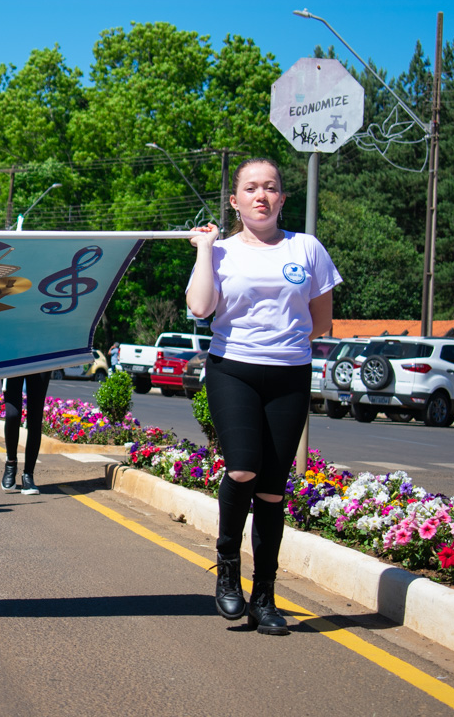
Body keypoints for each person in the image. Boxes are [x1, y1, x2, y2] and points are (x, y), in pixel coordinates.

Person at [186, 158, 340, 636]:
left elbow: (321, 323)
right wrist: (205, 250)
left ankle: (266, 596)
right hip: (233, 369)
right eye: (251, 188)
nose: (261, 196)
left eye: (270, 188)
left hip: (290, 374)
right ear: (235, 201)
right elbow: (200, 307)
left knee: (273, 489)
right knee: (242, 468)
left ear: (282, 199)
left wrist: (284, 338)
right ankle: (227, 567)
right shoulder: (222, 250)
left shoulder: (307, 248)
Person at [0, 371, 51, 496]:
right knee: (12, 415)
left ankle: (28, 474)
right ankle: (11, 464)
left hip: (41, 357)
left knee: (35, 417)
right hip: (13, 358)